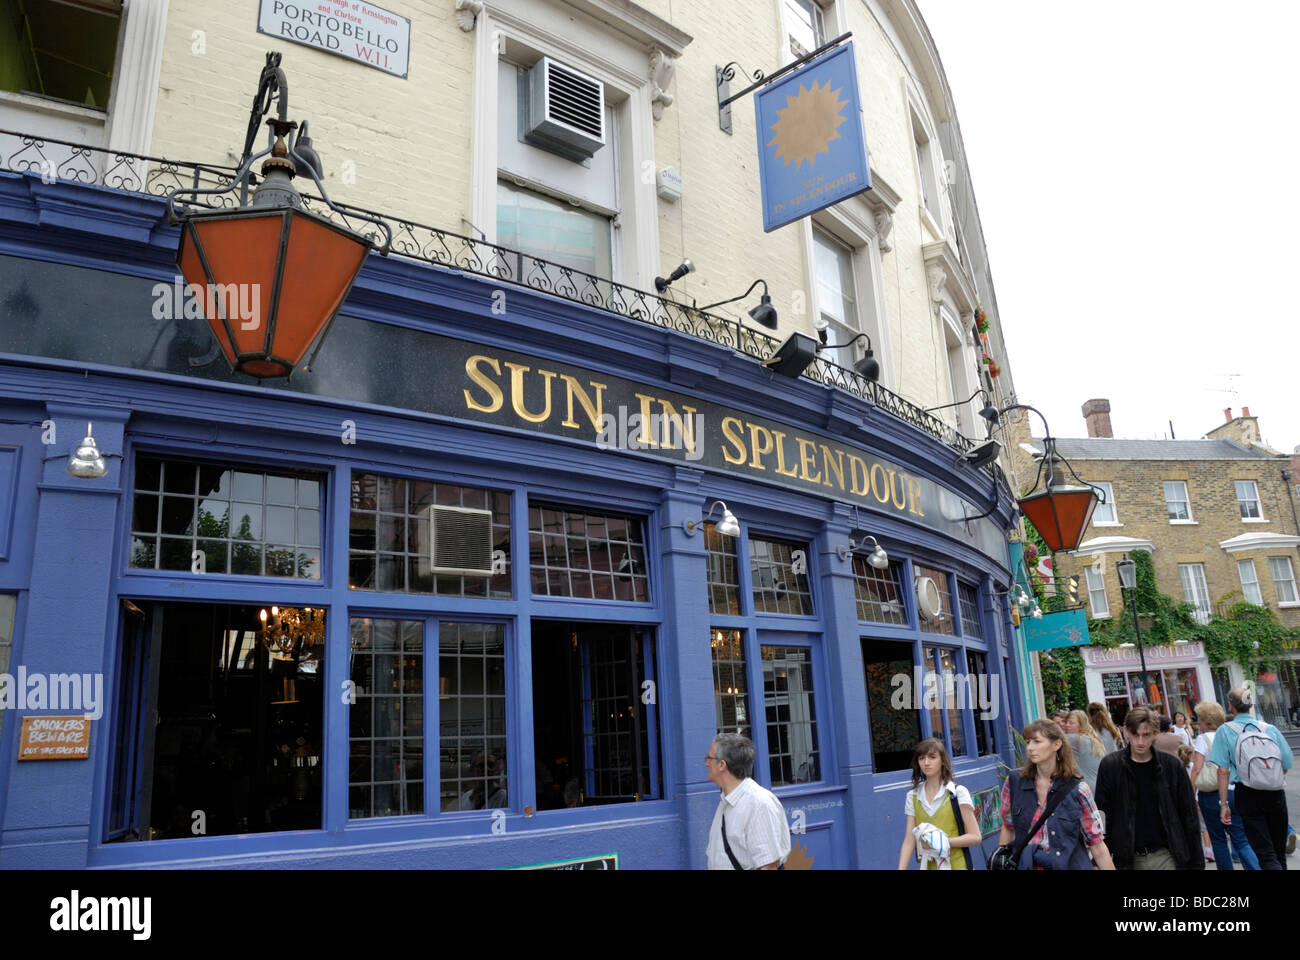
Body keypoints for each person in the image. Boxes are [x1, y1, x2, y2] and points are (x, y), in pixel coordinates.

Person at [1094, 706, 1205, 870]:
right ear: (1126, 731)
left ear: (1155, 734)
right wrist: (1100, 858)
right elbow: (1102, 815)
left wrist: (1197, 863)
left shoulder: (1172, 766)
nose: (1140, 741)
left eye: (1145, 735)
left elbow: (1189, 816)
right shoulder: (1111, 766)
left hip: (1167, 855)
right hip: (1127, 857)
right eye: (1135, 734)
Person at [998, 719, 1114, 870]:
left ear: (1056, 744)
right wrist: (1002, 860)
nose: (1030, 748)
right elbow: (1008, 828)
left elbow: (1097, 845)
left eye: (1037, 741)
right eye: (1028, 742)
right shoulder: (1014, 783)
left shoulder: (1078, 789)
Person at [1208, 687, 1294, 870]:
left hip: (1247, 793)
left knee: (1265, 854)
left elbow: (1222, 771)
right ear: (1250, 705)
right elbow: (1286, 763)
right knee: (1278, 853)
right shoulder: (1269, 728)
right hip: (1275, 792)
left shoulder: (1225, 730)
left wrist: (1223, 804)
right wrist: (1268, 777)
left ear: (1231, 706)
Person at [705, 733, 791, 870]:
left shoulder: (759, 803)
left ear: (722, 765)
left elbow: (769, 866)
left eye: (709, 758)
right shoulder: (726, 800)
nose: (706, 763)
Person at [1190, 700, 1258, 870]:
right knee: (1241, 838)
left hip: (1212, 794)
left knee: (1218, 840)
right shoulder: (1231, 733)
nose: (1198, 721)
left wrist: (1192, 794)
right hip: (1234, 790)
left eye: (1200, 718)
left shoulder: (1203, 739)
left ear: (1205, 720)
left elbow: (1197, 769)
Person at [896, 738, 981, 870]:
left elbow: (975, 837)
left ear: (942, 761)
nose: (926, 763)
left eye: (932, 757)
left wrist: (942, 842)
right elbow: (909, 840)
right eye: (921, 758)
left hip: (958, 865)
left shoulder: (957, 792)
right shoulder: (912, 796)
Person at [1062, 709, 1105, 793]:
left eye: (1071, 723)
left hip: (1086, 789)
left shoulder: (1076, 739)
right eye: (1066, 722)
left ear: (1081, 726)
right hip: (1098, 787)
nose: (1066, 725)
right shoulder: (1092, 739)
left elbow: (1051, 740)